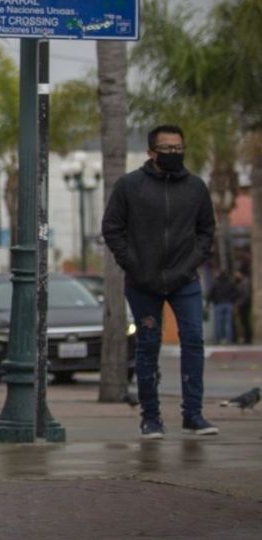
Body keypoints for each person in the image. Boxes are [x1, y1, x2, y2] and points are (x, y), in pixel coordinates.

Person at [101, 124, 218, 439]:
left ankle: (193, 415)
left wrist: (190, 264)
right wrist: (133, 264)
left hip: (185, 279)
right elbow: (112, 228)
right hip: (142, 280)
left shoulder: (196, 187)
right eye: (167, 149)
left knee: (193, 341)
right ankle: (150, 418)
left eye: (179, 149)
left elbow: (207, 231)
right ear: (151, 152)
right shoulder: (129, 186)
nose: (174, 154)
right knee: (148, 345)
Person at [207, 270, 238, 344]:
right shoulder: (230, 283)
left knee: (218, 323)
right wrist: (232, 299)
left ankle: (217, 340)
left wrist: (208, 303)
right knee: (228, 323)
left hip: (218, 304)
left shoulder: (215, 283)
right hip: (228, 304)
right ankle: (229, 340)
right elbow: (236, 293)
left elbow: (210, 294)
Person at [233, 270, 252, 344]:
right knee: (243, 322)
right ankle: (246, 338)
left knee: (245, 321)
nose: (236, 275)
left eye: (237, 273)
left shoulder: (245, 282)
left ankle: (248, 338)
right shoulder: (242, 282)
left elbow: (246, 295)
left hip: (244, 305)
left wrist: (239, 304)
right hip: (243, 304)